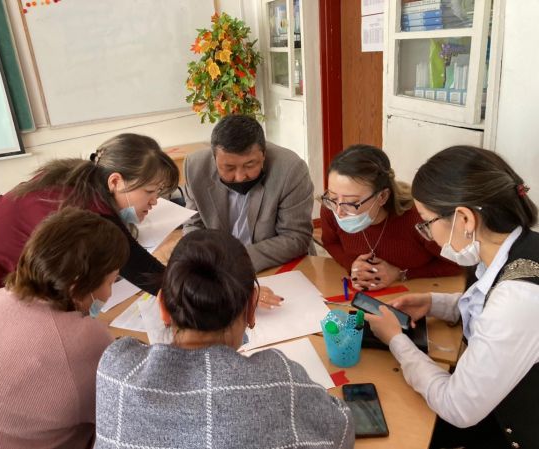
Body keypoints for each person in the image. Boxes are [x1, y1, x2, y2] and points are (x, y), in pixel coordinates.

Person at [95, 229, 355, 449]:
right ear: (251, 308)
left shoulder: (115, 368)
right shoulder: (280, 378)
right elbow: (343, 430)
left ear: (162, 306)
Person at [366, 146, 539, 449]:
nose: (428, 235)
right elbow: (488, 301)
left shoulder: (518, 299)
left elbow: (457, 407)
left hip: (516, 426)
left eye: (426, 222)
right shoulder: (516, 245)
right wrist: (436, 303)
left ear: (465, 219)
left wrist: (396, 340)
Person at [0, 133, 178, 327]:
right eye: (149, 192)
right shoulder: (85, 213)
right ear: (115, 181)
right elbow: (144, 271)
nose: (154, 201)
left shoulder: (79, 180)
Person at [0, 208, 128, 449]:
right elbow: (119, 414)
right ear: (77, 285)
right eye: (111, 281)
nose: (110, 293)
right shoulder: (85, 339)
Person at [183, 114, 315, 276]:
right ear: (214, 158)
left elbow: (295, 237)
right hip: (218, 269)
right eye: (229, 168)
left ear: (264, 154)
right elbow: (193, 226)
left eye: (250, 165)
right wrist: (201, 258)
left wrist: (235, 261)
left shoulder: (290, 169)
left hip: (277, 265)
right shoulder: (195, 167)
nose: (240, 177)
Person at [320, 144, 461, 291]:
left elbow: (457, 264)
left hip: (416, 293)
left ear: (382, 197)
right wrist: (352, 265)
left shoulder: (420, 218)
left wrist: (402, 274)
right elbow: (331, 242)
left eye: (352, 203)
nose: (339, 211)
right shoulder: (330, 208)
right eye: (333, 197)